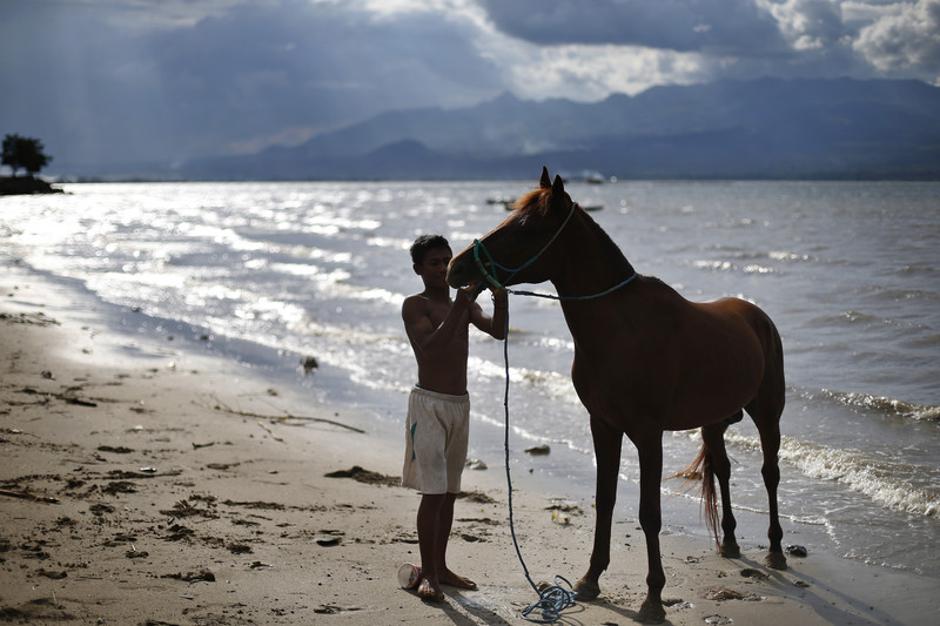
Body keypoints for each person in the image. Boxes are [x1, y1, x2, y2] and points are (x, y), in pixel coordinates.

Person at [400, 234, 507, 602]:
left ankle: (441, 568)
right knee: (432, 495)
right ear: (418, 269)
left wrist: (500, 299)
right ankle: (428, 572)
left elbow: (499, 331)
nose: (443, 268)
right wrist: (463, 303)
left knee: (449, 494)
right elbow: (431, 350)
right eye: (434, 263)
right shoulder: (416, 305)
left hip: (459, 405)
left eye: (447, 260)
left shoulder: (462, 304)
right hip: (429, 405)